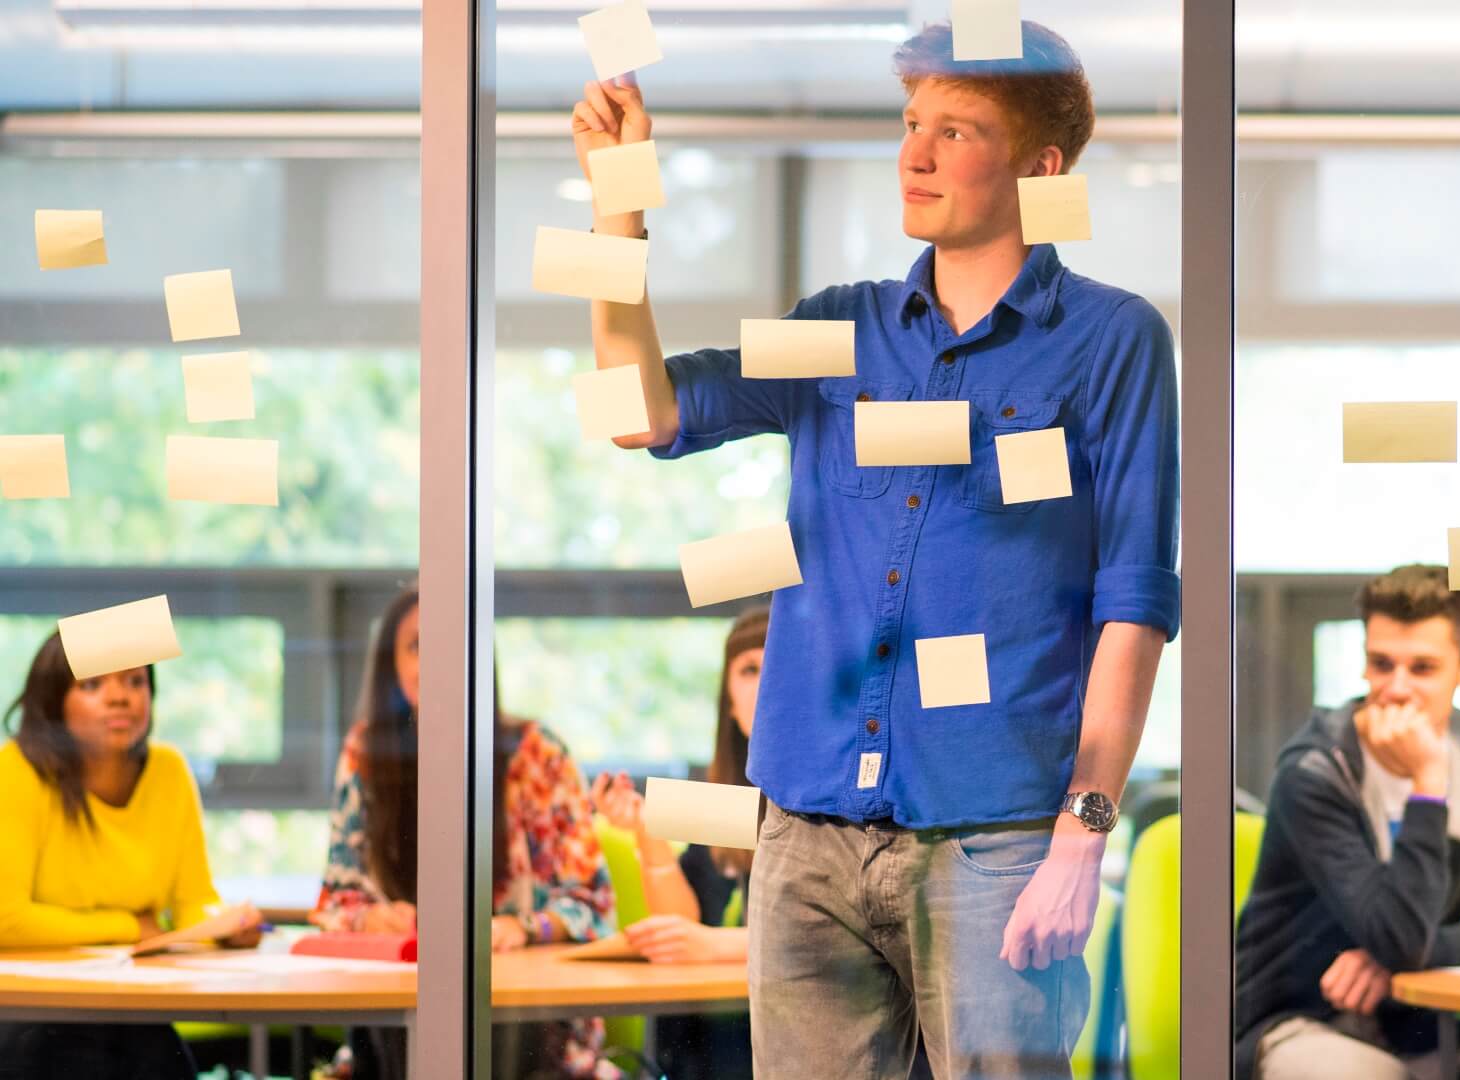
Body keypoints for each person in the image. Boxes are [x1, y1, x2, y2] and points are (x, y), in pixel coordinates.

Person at [571, 18, 1179, 1079]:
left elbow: (1132, 602)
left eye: (957, 128)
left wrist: (1084, 835)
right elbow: (638, 408)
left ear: (1040, 169)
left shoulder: (1115, 341)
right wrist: (616, 195)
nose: (916, 151)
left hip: (996, 841)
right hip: (803, 834)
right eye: (911, 124)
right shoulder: (837, 333)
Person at [1235, 565, 1460, 1080]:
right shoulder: (1317, 771)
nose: (1397, 689)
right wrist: (1429, 782)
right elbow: (1400, 937)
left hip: (1421, 1023)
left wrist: (1398, 967)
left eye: (1422, 668)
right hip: (1299, 1021)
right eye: (1381, 664)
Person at [312, 588, 621, 1080]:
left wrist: (524, 928)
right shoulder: (366, 754)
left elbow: (591, 902)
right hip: (402, 1001)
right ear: (392, 668)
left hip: (527, 1012)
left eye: (450, 643)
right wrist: (375, 919)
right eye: (417, 646)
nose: (437, 661)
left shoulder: (537, 753)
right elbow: (337, 899)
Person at [0, 628, 261, 1080]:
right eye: (92, 684)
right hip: (37, 1013)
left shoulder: (169, 771)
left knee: (160, 1056)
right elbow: (6, 917)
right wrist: (127, 926)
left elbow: (192, 899)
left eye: (136, 682)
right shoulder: (17, 769)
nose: (120, 698)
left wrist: (222, 926)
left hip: (134, 1011)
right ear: (53, 700)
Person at [592, 606, 766, 1080]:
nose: (765, 681)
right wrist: (648, 835)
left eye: (776, 663)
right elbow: (682, 929)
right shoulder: (725, 799)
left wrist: (713, 946)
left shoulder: (835, 799)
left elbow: (835, 938)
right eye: (749, 669)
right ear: (728, 700)